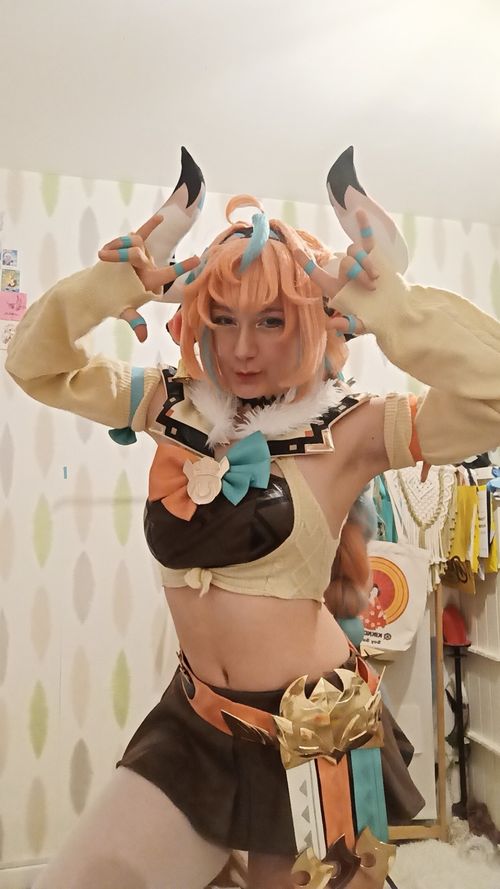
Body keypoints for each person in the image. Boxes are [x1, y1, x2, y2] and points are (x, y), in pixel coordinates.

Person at [6, 146, 500, 889]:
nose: (242, 348)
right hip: (197, 722)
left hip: (322, 732)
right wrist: (123, 279)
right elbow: (33, 363)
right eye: (224, 318)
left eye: (271, 320)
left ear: (312, 320)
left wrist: (383, 300)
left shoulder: (352, 427)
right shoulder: (167, 404)